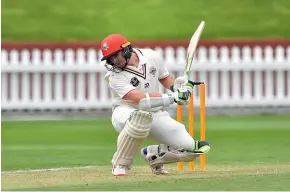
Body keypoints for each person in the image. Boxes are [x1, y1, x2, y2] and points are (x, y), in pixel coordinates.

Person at [101, 34, 210, 176]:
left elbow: (164, 78)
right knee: (139, 118)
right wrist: (173, 97)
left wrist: (178, 88)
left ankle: (153, 156)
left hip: (154, 113)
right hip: (125, 112)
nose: (113, 61)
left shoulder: (151, 56)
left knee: (189, 148)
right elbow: (140, 99)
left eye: (115, 55)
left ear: (126, 49)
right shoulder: (113, 77)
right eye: (110, 58)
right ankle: (120, 163)